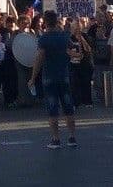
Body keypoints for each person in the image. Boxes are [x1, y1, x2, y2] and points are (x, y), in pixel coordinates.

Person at [28, 10, 77, 149]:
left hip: (49, 76)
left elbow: (39, 59)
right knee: (68, 107)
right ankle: (72, 136)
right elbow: (72, 50)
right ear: (56, 21)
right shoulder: (64, 37)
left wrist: (33, 77)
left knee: (52, 108)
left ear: (44, 22)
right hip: (64, 75)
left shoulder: (43, 39)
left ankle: (56, 139)